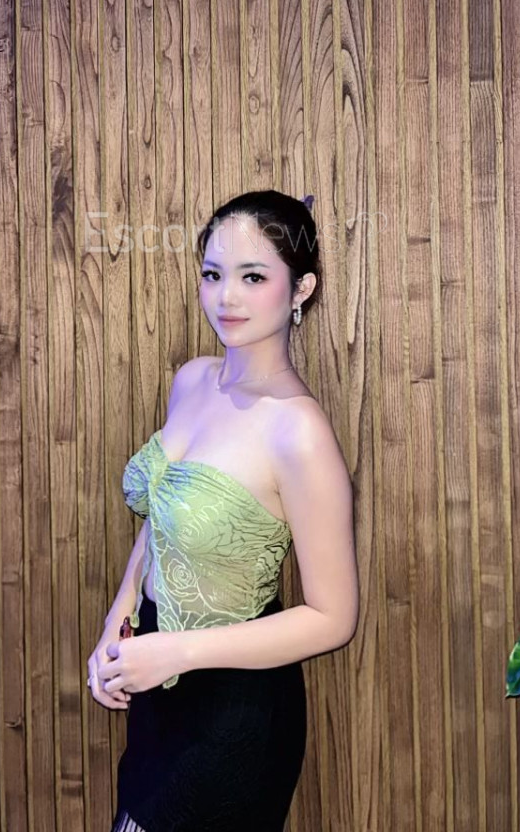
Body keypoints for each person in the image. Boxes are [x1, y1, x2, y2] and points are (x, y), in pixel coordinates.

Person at [87, 189, 359, 832]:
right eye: (213, 274)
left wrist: (176, 653)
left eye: (253, 277)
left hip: (234, 712)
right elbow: (160, 517)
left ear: (301, 289)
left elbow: (333, 618)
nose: (226, 297)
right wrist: (117, 624)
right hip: (157, 688)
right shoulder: (191, 379)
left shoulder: (298, 431)